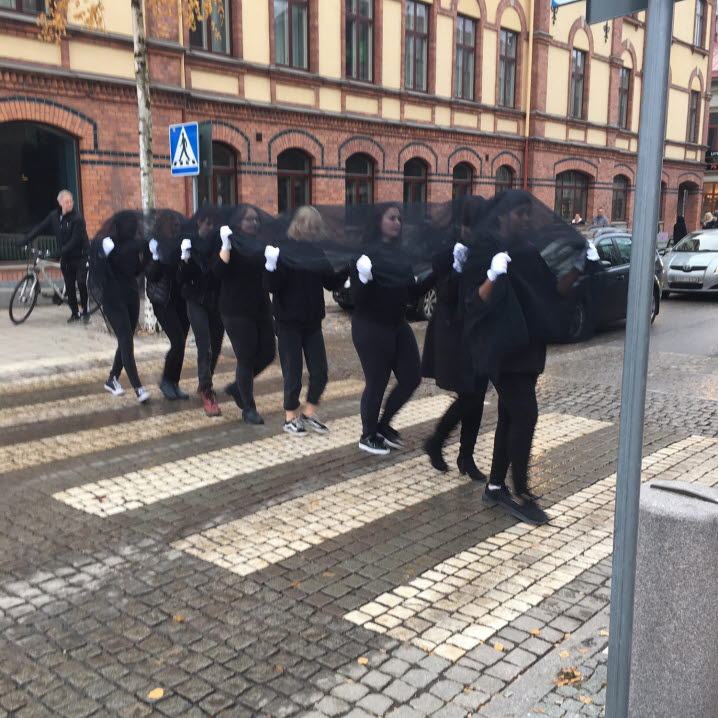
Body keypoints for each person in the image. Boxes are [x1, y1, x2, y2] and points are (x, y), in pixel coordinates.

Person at [462, 190, 595, 525]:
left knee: (510, 416)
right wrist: (491, 277)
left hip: (529, 347)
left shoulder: (527, 250)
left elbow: (552, 292)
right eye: (520, 214)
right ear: (503, 215)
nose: (525, 219)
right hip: (501, 349)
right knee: (526, 415)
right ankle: (519, 491)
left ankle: (495, 486)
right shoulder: (484, 248)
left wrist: (578, 268)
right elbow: (471, 303)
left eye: (527, 214)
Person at [351, 203, 431, 455]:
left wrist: (438, 272)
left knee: (411, 377)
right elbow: (357, 298)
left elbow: (412, 292)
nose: (397, 222)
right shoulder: (365, 253)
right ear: (378, 222)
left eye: (399, 218)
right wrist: (363, 277)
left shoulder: (399, 253)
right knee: (377, 381)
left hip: (397, 324)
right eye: (391, 217)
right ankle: (368, 434)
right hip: (371, 326)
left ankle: (384, 425)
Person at [263, 206, 349, 436]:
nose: (314, 232)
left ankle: (309, 413)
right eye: (311, 227)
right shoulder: (283, 250)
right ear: (300, 226)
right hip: (288, 322)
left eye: (316, 228)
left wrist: (349, 267)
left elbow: (330, 281)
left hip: (312, 322)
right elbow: (271, 286)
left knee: (320, 371)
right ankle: (290, 416)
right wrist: (270, 267)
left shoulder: (315, 251)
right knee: (293, 372)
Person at [422, 197, 489, 480]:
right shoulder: (447, 249)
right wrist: (458, 269)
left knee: (475, 394)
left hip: (478, 330)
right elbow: (447, 295)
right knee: (470, 394)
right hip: (453, 331)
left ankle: (464, 455)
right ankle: (439, 442)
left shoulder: (484, 247)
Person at [213, 205, 275, 425]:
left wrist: (272, 262)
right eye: (249, 220)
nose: (254, 223)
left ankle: (237, 388)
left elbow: (268, 273)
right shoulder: (230, 241)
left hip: (260, 306)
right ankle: (248, 407)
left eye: (256, 219)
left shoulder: (261, 241)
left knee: (268, 353)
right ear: (238, 222)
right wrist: (226, 247)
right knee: (246, 358)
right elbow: (218, 272)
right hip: (235, 309)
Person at [91, 211, 150, 402]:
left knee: (126, 339)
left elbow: (136, 271)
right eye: (129, 225)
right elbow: (97, 275)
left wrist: (148, 255)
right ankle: (138, 388)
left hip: (130, 296)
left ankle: (112, 379)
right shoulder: (105, 243)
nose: (133, 228)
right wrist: (102, 255)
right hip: (112, 298)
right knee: (126, 340)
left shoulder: (132, 245)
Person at [178, 209, 224, 417]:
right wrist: (185, 260)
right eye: (207, 224)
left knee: (216, 344)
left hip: (216, 300)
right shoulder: (190, 243)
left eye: (213, 225)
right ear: (199, 223)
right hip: (195, 300)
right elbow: (182, 279)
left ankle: (205, 380)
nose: (210, 228)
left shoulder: (218, 244)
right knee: (204, 345)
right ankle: (207, 389)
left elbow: (221, 273)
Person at [22, 189, 90, 323]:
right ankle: (75, 313)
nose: (70, 204)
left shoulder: (78, 219)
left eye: (71, 201)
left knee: (81, 282)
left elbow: (74, 242)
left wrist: (57, 253)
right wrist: (26, 239)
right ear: (60, 203)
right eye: (66, 202)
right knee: (69, 285)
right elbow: (41, 228)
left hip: (81, 255)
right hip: (66, 257)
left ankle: (86, 312)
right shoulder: (54, 216)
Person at [145, 211, 190, 401]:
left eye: (178, 226)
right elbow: (151, 275)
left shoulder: (178, 243)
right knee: (177, 341)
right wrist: (158, 258)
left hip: (180, 299)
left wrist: (185, 257)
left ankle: (174, 382)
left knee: (182, 343)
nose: (176, 229)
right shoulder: (153, 244)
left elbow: (183, 274)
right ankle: (165, 381)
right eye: (173, 226)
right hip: (162, 299)